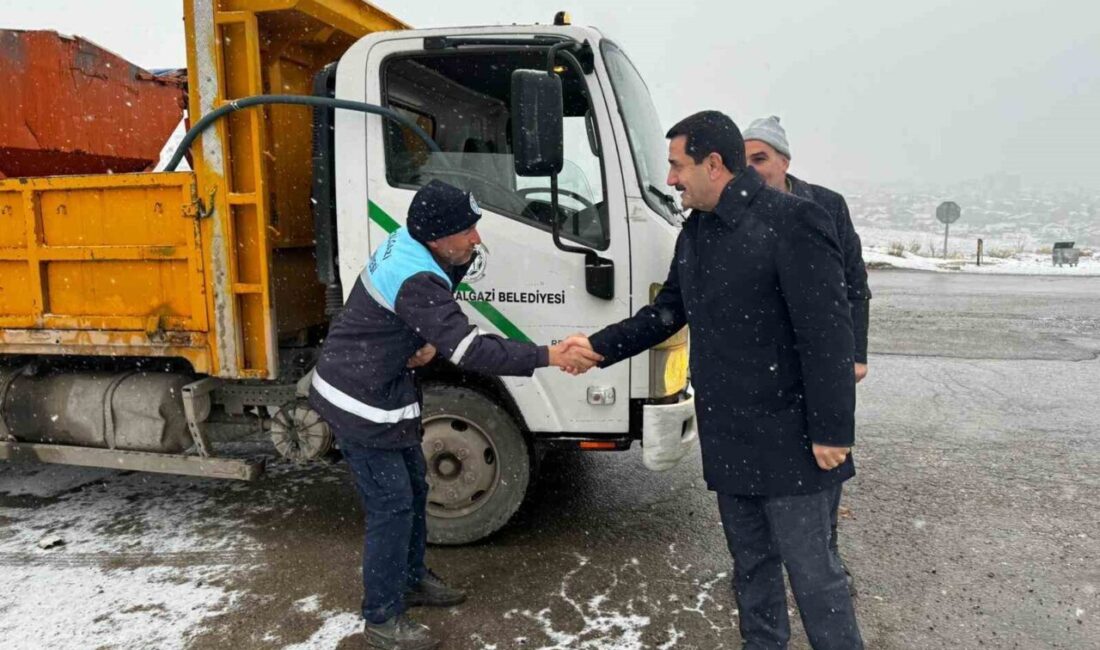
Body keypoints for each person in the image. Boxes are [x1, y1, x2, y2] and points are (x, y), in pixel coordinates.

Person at [564, 111, 863, 649]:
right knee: (751, 568)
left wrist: (833, 430)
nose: (671, 179)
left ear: (714, 164)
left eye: (678, 166)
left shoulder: (794, 220)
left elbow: (828, 335)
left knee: (815, 578)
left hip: (793, 437)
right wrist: (597, 347)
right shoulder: (697, 230)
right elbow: (666, 311)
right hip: (730, 436)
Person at [309, 179, 602, 650]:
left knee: (415, 489)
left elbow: (412, 313)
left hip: (384, 386)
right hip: (359, 399)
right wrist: (550, 355)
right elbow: (470, 350)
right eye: (467, 231)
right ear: (437, 236)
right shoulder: (417, 277)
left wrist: (422, 340)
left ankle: (411, 579)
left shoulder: (416, 245)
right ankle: (382, 618)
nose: (476, 239)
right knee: (392, 507)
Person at [743, 115, 871, 594]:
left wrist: (855, 353)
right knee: (765, 463)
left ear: (784, 161)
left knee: (827, 457)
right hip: (767, 356)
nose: (751, 169)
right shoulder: (737, 209)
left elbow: (855, 284)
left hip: (824, 351)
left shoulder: (826, 205)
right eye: (742, 161)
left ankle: (825, 559)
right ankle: (763, 564)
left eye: (760, 158)